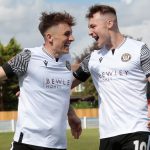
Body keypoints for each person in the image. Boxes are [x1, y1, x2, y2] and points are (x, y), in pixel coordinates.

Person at [72, 4, 150, 150]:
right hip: (107, 135)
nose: (90, 32)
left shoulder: (139, 49)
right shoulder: (92, 59)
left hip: (136, 130)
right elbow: (64, 84)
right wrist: (30, 88)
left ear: (109, 23)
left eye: (93, 26)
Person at [0, 11, 82, 150]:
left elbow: (60, 93)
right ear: (50, 37)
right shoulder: (27, 57)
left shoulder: (67, 61)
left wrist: (71, 114)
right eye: (67, 34)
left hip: (58, 145)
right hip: (27, 143)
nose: (72, 38)